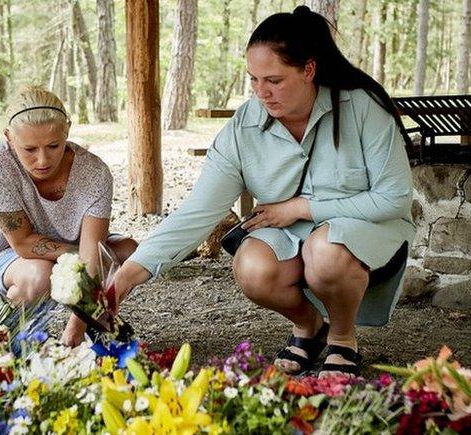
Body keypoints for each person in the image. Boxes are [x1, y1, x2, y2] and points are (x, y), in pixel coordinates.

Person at [111, 6, 415, 376]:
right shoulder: (244, 127)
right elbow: (197, 212)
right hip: (293, 234)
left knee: (327, 252)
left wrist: (302, 208)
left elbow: (393, 198)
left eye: (273, 80)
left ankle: (342, 338)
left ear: (308, 70)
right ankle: (309, 327)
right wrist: (128, 274)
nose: (261, 93)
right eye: (253, 80)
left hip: (366, 226)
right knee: (252, 267)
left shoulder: (362, 108)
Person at [0, 87, 137, 346]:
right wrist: (85, 257)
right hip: (13, 257)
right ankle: (10, 339)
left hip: (74, 252)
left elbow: (91, 254)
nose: (42, 160)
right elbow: (23, 242)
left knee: (129, 254)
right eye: (29, 149)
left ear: (67, 131)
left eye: (53, 145)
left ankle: (91, 325)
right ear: (8, 137)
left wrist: (74, 330)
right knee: (41, 274)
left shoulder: (94, 173)